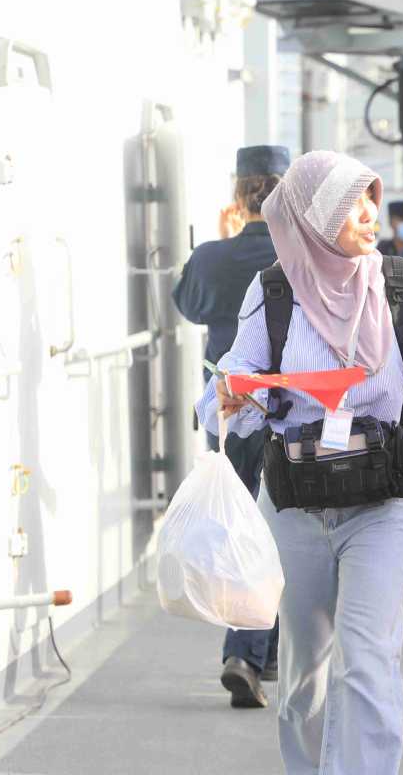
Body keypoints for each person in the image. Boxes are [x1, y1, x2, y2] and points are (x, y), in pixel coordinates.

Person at [196, 150, 403, 774]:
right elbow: (230, 382)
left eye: (372, 198)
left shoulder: (399, 282)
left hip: (382, 499)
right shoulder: (273, 291)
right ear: (314, 217)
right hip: (294, 502)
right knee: (304, 675)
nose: (371, 214)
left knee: (369, 658)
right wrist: (231, 395)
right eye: (352, 203)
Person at [172, 144, 289, 709]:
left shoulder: (213, 257)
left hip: (228, 412)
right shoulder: (303, 256)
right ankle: (253, 650)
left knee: (241, 525)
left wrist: (219, 240)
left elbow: (188, 304)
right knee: (283, 530)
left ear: (239, 196)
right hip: (293, 412)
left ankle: (254, 650)